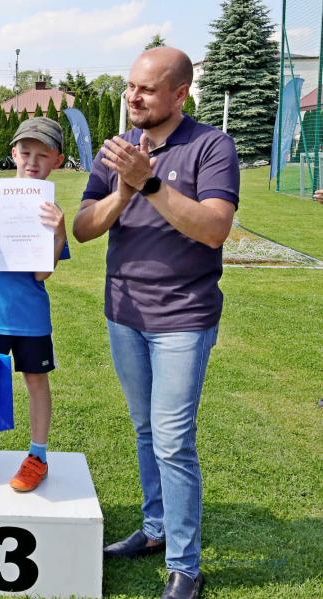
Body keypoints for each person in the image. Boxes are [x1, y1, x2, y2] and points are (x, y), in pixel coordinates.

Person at [72, 47, 239, 599]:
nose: (133, 97)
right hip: (125, 313)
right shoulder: (118, 150)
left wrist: (149, 184)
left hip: (183, 317)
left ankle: (185, 566)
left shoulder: (211, 146)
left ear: (179, 94)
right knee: (146, 430)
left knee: (172, 440)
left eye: (146, 89)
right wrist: (122, 191)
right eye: (130, 86)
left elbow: (213, 229)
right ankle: (155, 528)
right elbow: (83, 228)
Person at [0, 117, 69, 493]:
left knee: (36, 381)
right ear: (13, 154)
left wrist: (59, 233)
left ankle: (37, 457)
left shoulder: (50, 209)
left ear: (57, 161)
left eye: (43, 155)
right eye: (25, 152)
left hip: (29, 316)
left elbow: (41, 274)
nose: (32, 161)